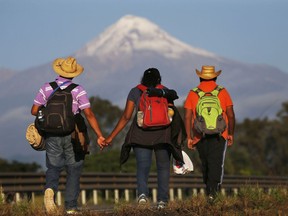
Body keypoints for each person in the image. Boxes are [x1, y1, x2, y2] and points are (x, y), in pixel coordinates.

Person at [31, 56, 106, 214]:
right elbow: (89, 114)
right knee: (74, 168)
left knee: (53, 167)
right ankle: (71, 207)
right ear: (74, 73)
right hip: (73, 134)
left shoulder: (46, 87)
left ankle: (50, 190)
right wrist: (99, 135)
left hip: (51, 133)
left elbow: (34, 111)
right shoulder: (78, 90)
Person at [105, 68, 184, 209]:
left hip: (140, 134)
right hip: (162, 134)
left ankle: (142, 196)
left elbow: (126, 117)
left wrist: (110, 137)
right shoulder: (165, 91)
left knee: (142, 167)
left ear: (142, 79)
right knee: (163, 167)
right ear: (159, 79)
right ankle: (162, 201)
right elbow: (171, 114)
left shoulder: (135, 91)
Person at [184, 65, 235, 202]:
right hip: (220, 135)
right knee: (217, 163)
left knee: (205, 163)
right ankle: (213, 193)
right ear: (216, 77)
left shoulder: (193, 93)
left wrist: (189, 137)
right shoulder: (222, 92)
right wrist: (230, 133)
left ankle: (210, 191)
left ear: (200, 77)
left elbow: (188, 117)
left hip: (200, 136)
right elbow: (230, 115)